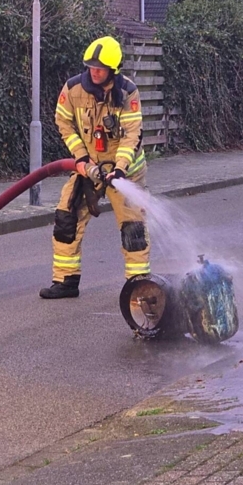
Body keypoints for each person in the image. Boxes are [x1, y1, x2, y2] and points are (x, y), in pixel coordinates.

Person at [40, 35, 150, 299]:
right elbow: (63, 123)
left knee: (132, 228)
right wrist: (80, 158)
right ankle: (65, 281)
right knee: (66, 218)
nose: (94, 71)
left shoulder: (127, 93)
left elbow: (132, 134)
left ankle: (139, 285)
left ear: (113, 69)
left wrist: (120, 169)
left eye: (100, 68)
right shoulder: (73, 89)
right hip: (87, 167)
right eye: (91, 66)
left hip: (124, 172)